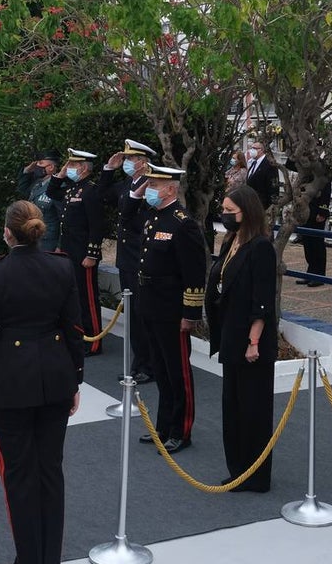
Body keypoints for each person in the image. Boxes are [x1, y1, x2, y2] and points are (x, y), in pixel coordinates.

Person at [0, 200, 83, 564]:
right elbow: (74, 330)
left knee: (19, 478)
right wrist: (75, 381)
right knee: (50, 474)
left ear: (7, 232)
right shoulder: (62, 265)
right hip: (55, 382)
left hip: (8, 389)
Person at [124, 164, 207, 453]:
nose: (149, 189)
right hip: (151, 304)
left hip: (172, 310)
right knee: (160, 370)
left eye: (155, 185)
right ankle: (162, 426)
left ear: (171, 188)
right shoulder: (153, 218)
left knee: (177, 371)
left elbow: (195, 274)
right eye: (149, 184)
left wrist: (190, 313)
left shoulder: (183, 223)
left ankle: (181, 431)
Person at [206, 185, 277, 491]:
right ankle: (237, 468)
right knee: (232, 407)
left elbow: (262, 301)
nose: (225, 215)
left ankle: (255, 475)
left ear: (246, 212)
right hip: (231, 338)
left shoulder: (260, 247)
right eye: (223, 209)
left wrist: (254, 341)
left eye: (230, 211)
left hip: (251, 343)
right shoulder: (231, 241)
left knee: (253, 411)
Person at [101, 139, 157, 384]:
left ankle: (149, 365)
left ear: (143, 162)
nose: (126, 163)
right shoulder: (127, 184)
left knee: (143, 315)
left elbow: (132, 216)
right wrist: (108, 169)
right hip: (126, 260)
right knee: (133, 316)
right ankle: (138, 363)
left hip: (140, 258)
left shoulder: (151, 188)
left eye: (130, 159)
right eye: (125, 159)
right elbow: (103, 195)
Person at [47, 149, 106, 356]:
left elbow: (97, 226)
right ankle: (81, 335)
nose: (68, 167)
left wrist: (91, 254)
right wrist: (60, 174)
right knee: (74, 295)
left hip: (83, 255)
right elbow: (51, 193)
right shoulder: (73, 188)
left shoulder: (91, 191)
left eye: (72, 165)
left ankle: (94, 341)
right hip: (69, 251)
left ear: (82, 167)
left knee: (87, 297)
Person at [284, 157, 332, 287]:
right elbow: (289, 164)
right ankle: (310, 273)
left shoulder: (322, 166)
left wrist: (323, 211)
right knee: (307, 242)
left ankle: (319, 276)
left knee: (317, 244)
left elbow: (326, 190)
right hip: (304, 208)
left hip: (316, 210)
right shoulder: (305, 165)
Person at [16, 151, 62, 252]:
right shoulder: (37, 184)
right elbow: (22, 190)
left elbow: (64, 219)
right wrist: (27, 171)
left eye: (40, 163)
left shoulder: (59, 187)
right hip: (34, 239)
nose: (37, 166)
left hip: (48, 242)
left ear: (51, 167)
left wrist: (60, 245)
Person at [244, 140, 279, 209]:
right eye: (251, 148)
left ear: (262, 150)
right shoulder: (254, 163)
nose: (251, 150)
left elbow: (273, 187)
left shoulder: (269, 164)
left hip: (262, 204)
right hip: (250, 203)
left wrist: (271, 206)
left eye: (254, 148)